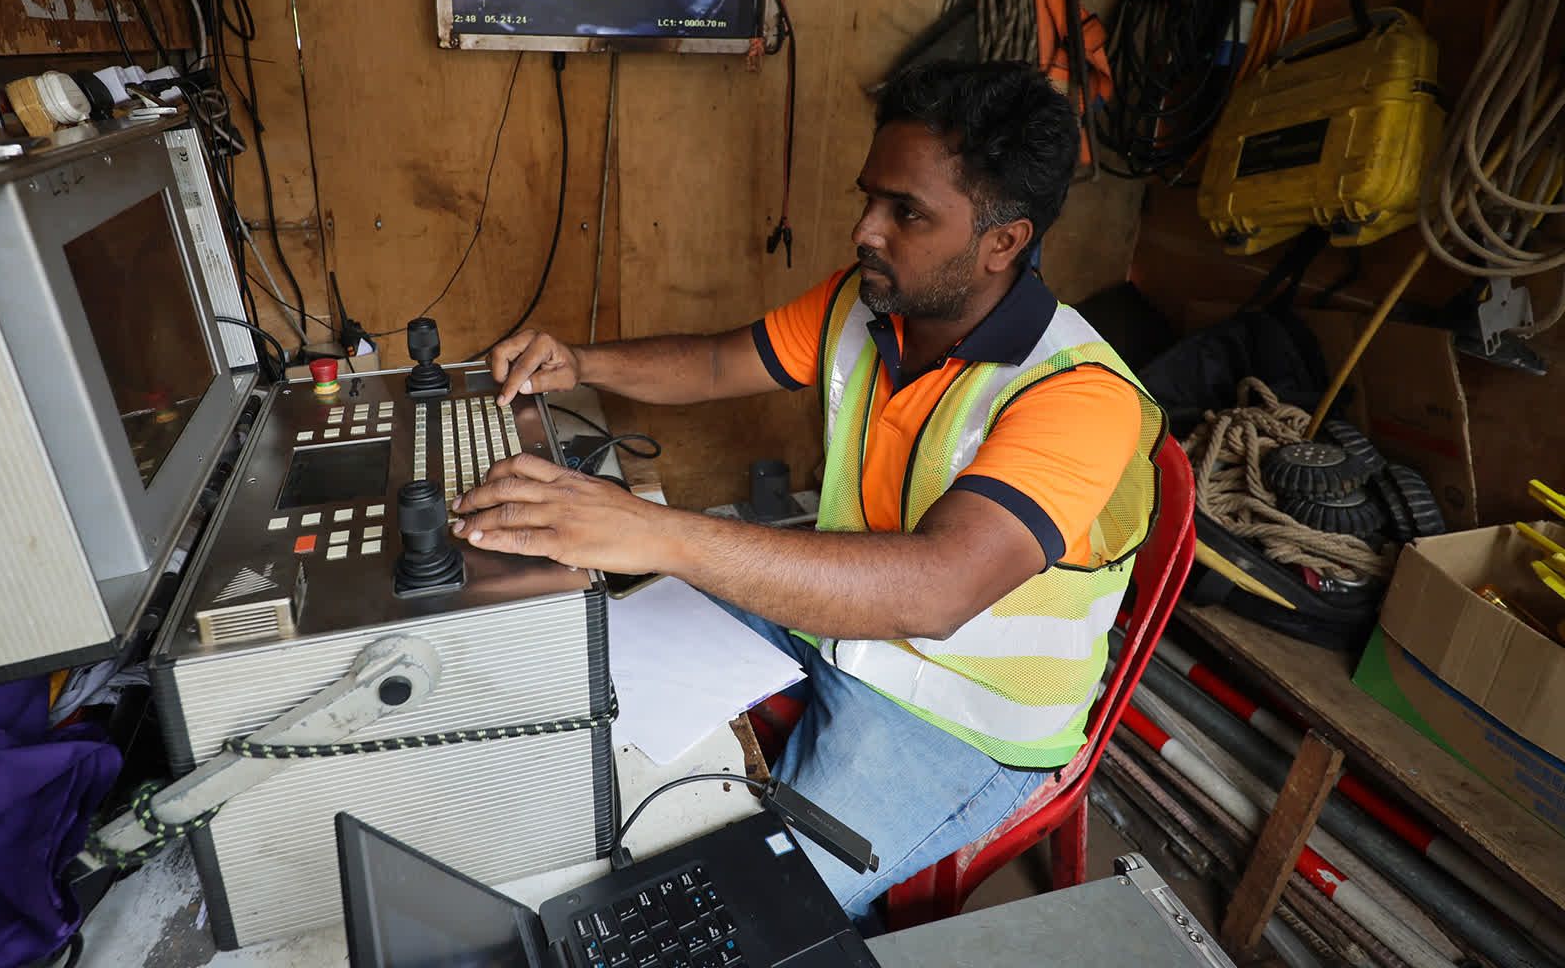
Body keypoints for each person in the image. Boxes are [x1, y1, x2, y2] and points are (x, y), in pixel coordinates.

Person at [453, 60, 1164, 922]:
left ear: (1003, 242)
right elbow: (721, 360)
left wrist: (653, 532)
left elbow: (935, 590)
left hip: (956, 715)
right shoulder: (870, 305)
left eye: (906, 212)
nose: (865, 229)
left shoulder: (1081, 394)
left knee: (743, 914)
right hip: (826, 626)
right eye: (870, 197)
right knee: (561, 684)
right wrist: (580, 362)